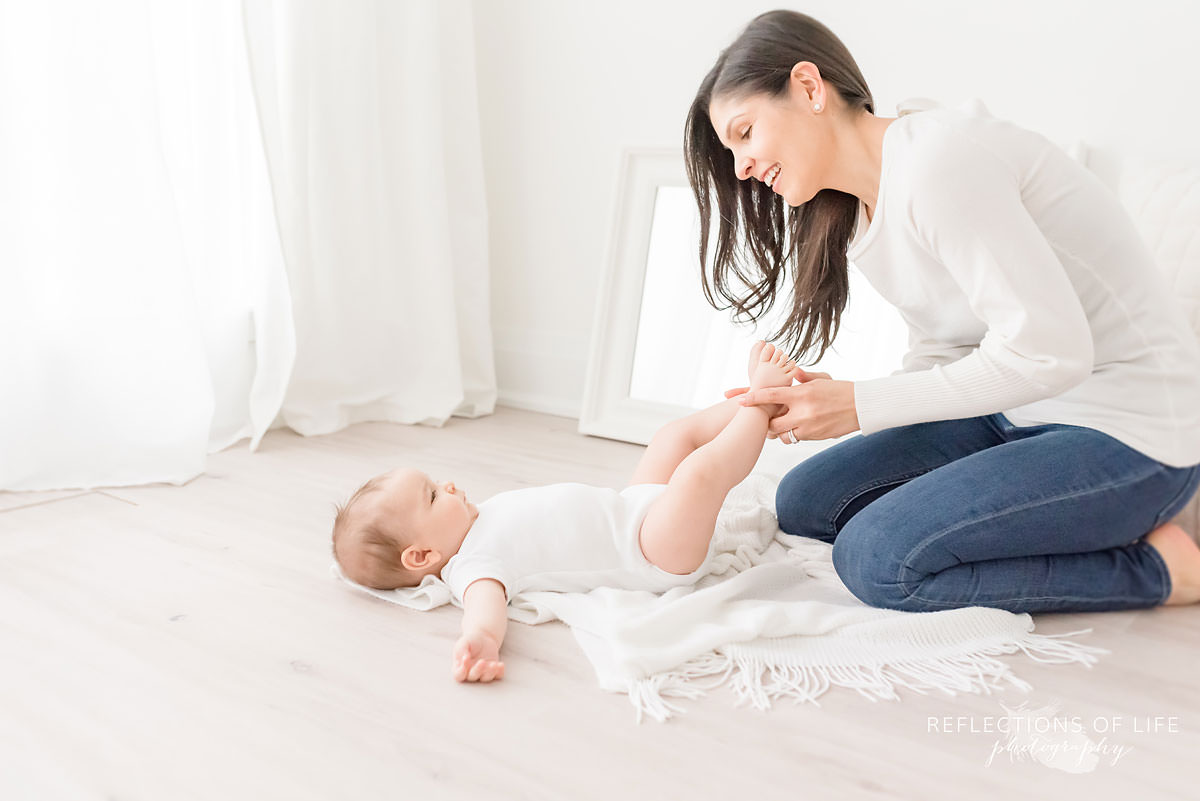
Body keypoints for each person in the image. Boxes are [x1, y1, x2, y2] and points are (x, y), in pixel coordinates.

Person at [684, 9, 1200, 614]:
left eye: (745, 134)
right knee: (805, 502)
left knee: (879, 561)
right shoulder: (857, 208)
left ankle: (1159, 569)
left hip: (1130, 433)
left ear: (807, 87)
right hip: (1015, 414)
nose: (742, 168)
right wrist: (855, 401)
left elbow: (1051, 353)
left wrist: (859, 405)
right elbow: (947, 348)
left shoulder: (938, 162)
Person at [331, 342, 803, 683]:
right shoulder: (472, 569)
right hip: (652, 550)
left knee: (671, 437)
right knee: (699, 475)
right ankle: (759, 412)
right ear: (422, 556)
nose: (448, 485)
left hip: (632, 508)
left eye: (435, 481)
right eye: (433, 496)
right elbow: (484, 612)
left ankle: (756, 400)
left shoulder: (478, 520)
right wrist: (480, 640)